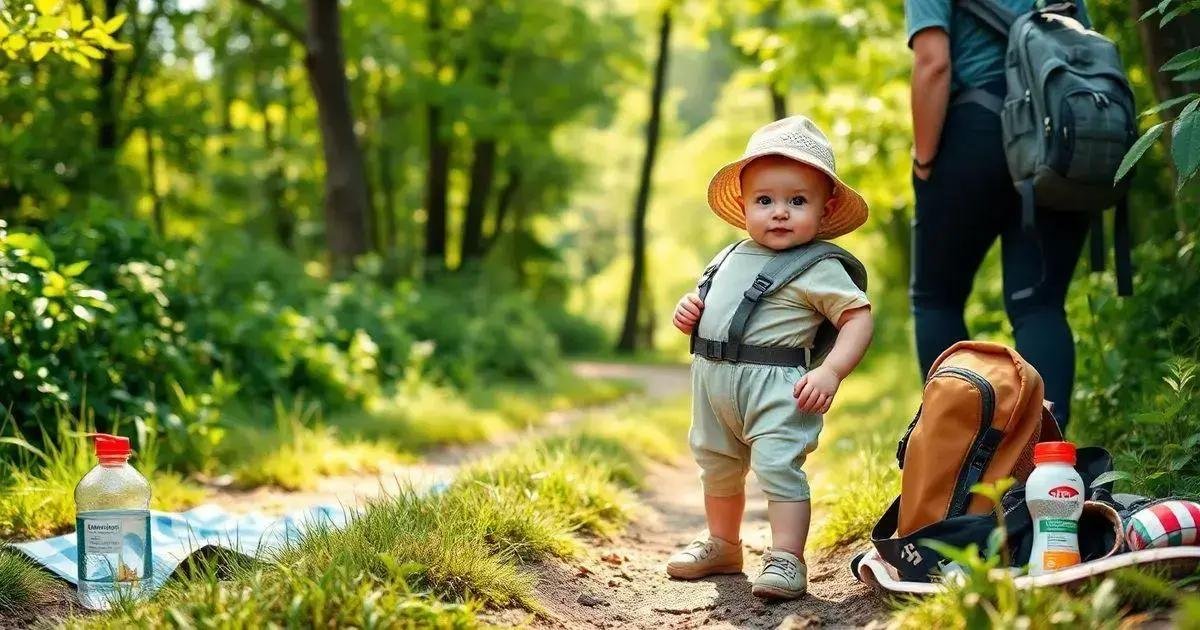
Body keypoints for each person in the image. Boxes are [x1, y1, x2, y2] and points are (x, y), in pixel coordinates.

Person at [665, 116, 874, 599]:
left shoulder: (817, 266)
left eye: (796, 201)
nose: (779, 212)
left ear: (826, 208)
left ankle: (786, 557)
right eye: (765, 201)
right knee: (716, 464)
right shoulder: (729, 254)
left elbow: (857, 318)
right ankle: (722, 543)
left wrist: (831, 370)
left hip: (778, 387)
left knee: (778, 466)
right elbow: (714, 304)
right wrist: (688, 310)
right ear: (744, 206)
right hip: (713, 382)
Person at [907, 0, 1093, 428]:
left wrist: (924, 162)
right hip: (1054, 137)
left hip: (974, 131)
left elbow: (933, 63)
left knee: (936, 299)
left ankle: (956, 450)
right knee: (1040, 306)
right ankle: (1045, 464)